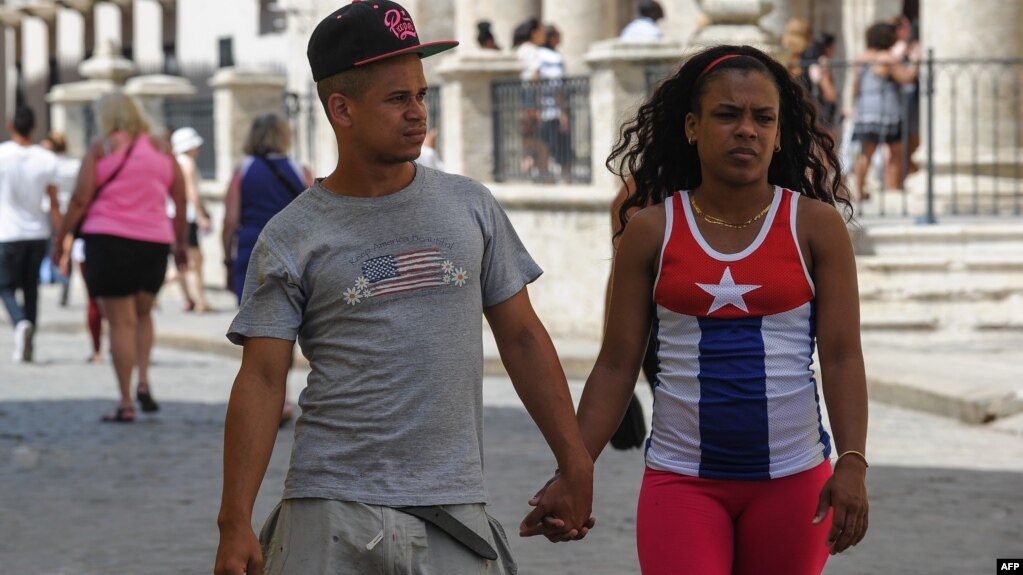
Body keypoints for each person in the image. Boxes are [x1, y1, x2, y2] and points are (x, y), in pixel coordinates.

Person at [214, 3, 594, 574]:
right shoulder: (292, 235)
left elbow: (521, 337)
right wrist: (234, 520)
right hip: (330, 509)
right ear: (341, 108)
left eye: (421, 95)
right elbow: (264, 377)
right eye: (397, 99)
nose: (417, 113)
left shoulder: (471, 206)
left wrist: (576, 462)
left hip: (452, 509)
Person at [529, 45, 869, 573]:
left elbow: (843, 356)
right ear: (692, 126)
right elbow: (617, 364)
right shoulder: (650, 230)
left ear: (779, 134)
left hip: (796, 480)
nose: (747, 130)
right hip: (681, 480)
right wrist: (575, 469)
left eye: (763, 118)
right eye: (727, 115)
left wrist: (851, 463)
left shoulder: (816, 226)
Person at [52, 92, 188, 423]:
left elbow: (81, 199)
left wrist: (61, 238)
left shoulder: (102, 148)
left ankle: (126, 401)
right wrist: (181, 243)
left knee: (121, 322)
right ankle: (144, 382)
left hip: (109, 240)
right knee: (143, 315)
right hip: (154, 242)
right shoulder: (161, 149)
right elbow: (180, 199)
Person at [0, 106, 61, 363]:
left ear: (11, 126)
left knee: (4, 286)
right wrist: (59, 236)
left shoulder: (2, 155)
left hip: (7, 232)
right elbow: (55, 203)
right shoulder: (46, 159)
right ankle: (29, 340)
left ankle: (19, 321)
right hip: (38, 232)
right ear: (35, 128)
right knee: (31, 290)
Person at [850, 21, 919, 200]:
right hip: (887, 110)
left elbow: (855, 85)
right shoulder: (886, 58)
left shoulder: (862, 57)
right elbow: (906, 78)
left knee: (866, 153)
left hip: (866, 109)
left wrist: (854, 106)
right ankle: (892, 189)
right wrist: (916, 61)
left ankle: (859, 190)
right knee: (896, 150)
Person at [170, 126, 212, 312]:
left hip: (171, 215)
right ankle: (201, 301)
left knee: (180, 260)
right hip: (187, 217)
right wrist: (201, 214)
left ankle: (187, 299)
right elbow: (191, 191)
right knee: (197, 260)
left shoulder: (171, 162)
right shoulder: (187, 163)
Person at [537, 24, 574, 183]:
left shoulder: (537, 55)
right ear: (552, 38)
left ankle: (545, 180)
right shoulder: (554, 57)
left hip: (542, 111)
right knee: (563, 149)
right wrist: (563, 112)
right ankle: (567, 179)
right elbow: (556, 86)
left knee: (543, 147)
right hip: (553, 112)